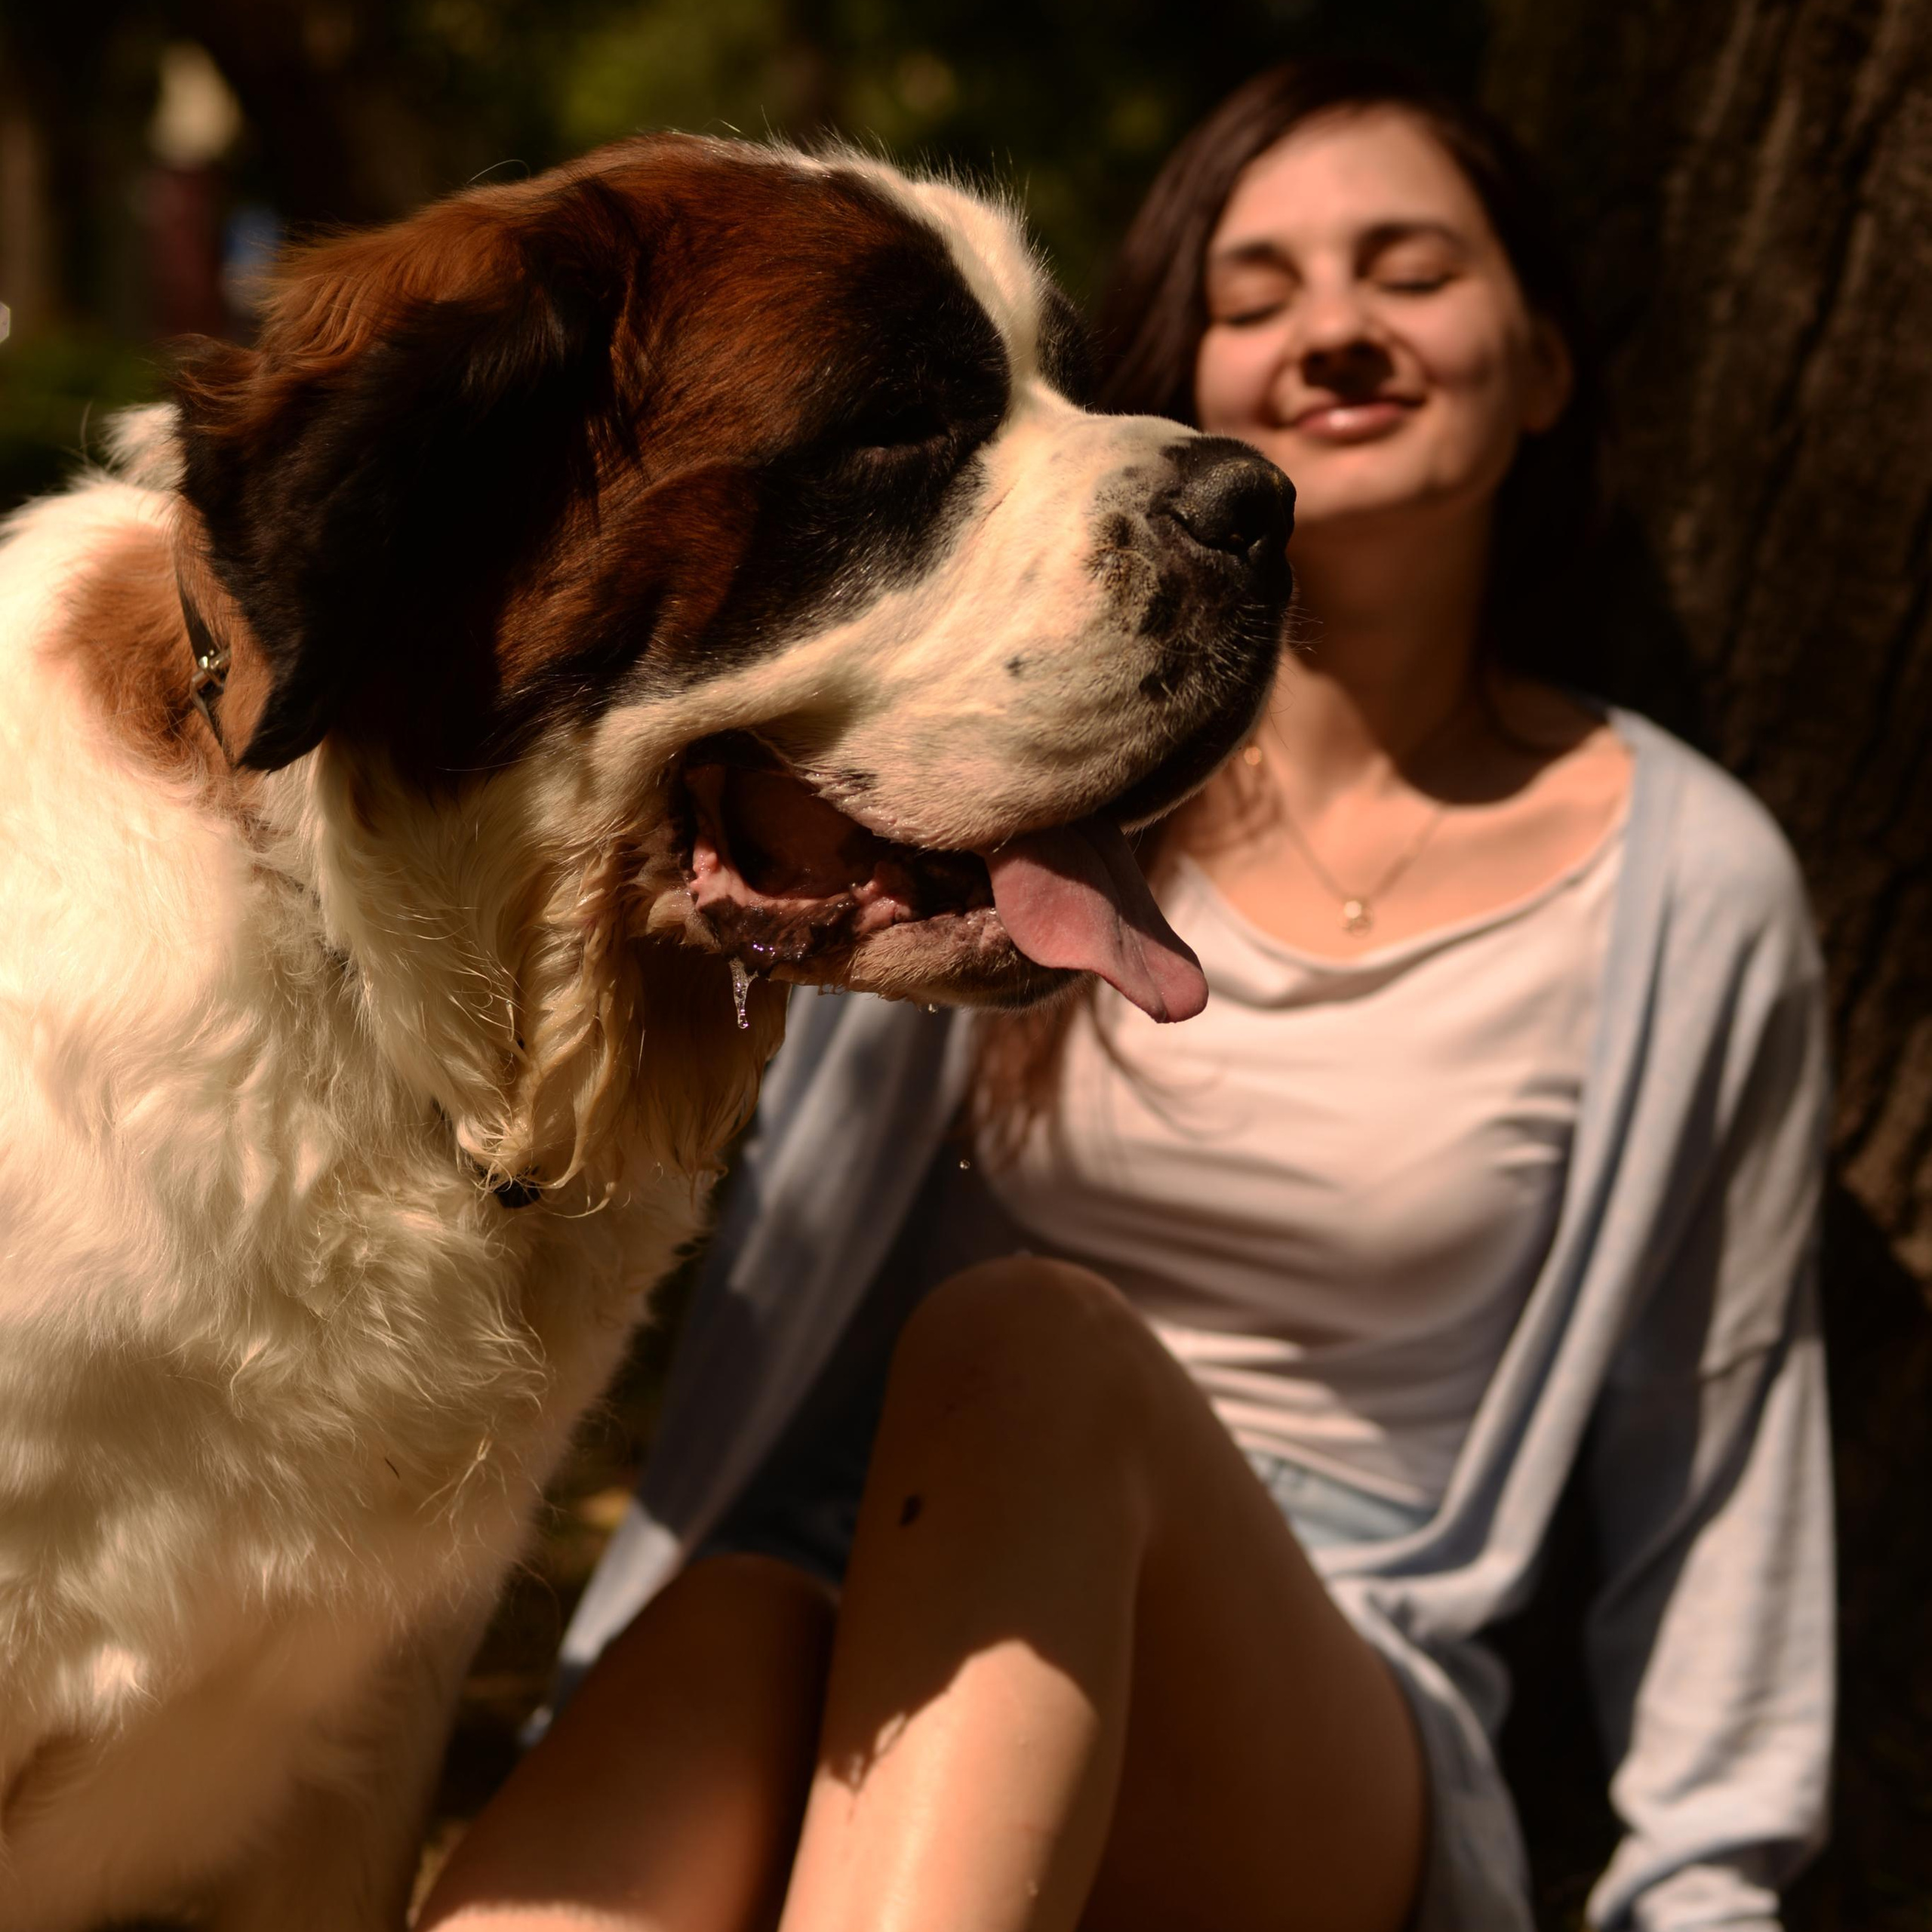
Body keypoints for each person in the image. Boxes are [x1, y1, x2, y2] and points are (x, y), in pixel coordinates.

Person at [420, 59, 1833, 1932]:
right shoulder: (956, 796)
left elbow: (1713, 1435)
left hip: (1316, 1700)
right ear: (1192, 390)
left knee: (1028, 1343)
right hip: (857, 1602)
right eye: (1257, 297)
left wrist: (1706, 1894)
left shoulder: (1685, 877)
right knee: (731, 1620)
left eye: (1406, 270)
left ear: (1541, 361)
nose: (1333, 327)